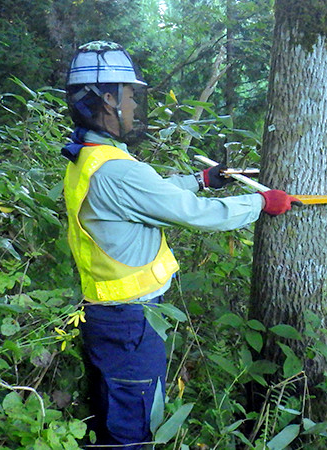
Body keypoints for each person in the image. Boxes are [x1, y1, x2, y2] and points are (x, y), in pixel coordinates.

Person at [61, 41, 300, 448]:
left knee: (111, 407)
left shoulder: (90, 158)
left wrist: (202, 180)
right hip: (129, 321)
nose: (136, 108)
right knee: (132, 425)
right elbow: (194, 213)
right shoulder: (116, 169)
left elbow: (150, 193)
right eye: (131, 97)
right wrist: (260, 202)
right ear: (107, 99)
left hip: (104, 314)